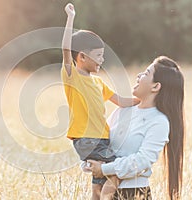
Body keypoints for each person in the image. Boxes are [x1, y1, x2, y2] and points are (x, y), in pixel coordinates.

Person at [61, 3, 139, 200]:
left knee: (98, 180)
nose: (102, 60)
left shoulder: (98, 82)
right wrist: (71, 17)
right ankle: (108, 195)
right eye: (98, 56)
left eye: (103, 56)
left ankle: (100, 195)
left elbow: (120, 101)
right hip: (86, 138)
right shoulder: (73, 76)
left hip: (101, 138)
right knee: (115, 168)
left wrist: (142, 99)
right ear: (81, 57)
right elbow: (65, 48)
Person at [87, 56, 185, 200]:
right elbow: (99, 139)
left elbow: (142, 160)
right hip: (101, 190)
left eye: (146, 73)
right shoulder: (123, 110)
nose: (139, 75)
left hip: (133, 193)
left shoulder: (159, 121)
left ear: (156, 86)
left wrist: (103, 169)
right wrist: (89, 164)